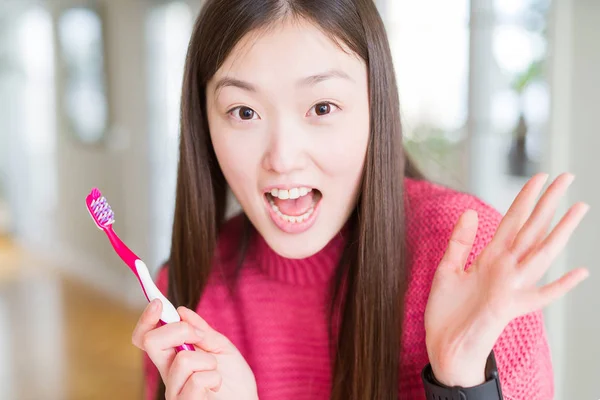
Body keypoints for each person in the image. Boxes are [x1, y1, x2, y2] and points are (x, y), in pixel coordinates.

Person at [132, 1, 590, 399]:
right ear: (204, 123)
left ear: (377, 105)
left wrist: (463, 384)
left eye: (322, 108)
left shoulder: (467, 257)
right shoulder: (186, 300)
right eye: (244, 112)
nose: (283, 158)